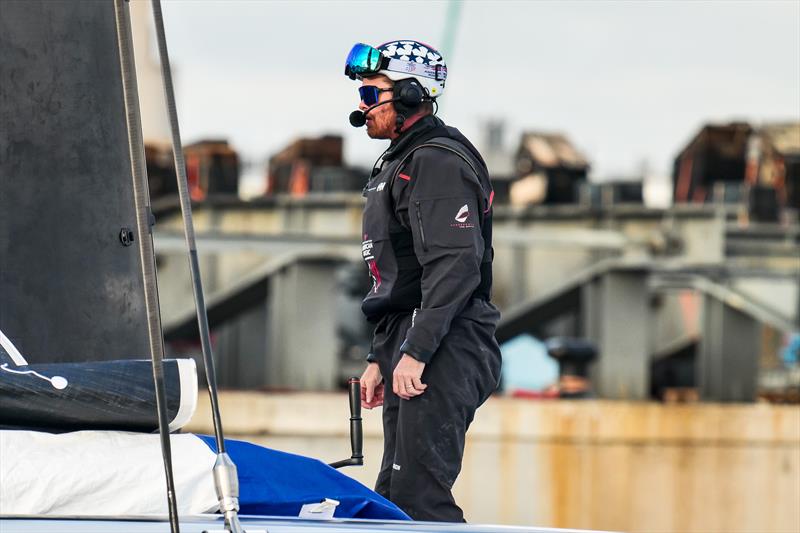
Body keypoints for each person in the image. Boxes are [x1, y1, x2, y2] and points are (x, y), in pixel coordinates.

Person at [343, 40, 502, 522]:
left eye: (371, 95)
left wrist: (416, 352)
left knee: (420, 501)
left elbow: (455, 266)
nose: (361, 107)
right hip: (414, 340)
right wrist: (380, 356)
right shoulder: (400, 160)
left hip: (446, 345)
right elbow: (403, 276)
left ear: (411, 95)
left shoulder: (436, 161)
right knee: (392, 497)